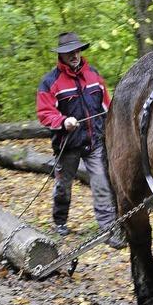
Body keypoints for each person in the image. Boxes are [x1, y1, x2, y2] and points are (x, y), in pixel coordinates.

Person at [36, 32, 126, 249]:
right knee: (63, 187)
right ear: (62, 55)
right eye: (70, 52)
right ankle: (60, 221)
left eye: (77, 50)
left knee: (102, 184)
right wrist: (63, 121)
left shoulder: (93, 75)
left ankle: (109, 229)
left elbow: (107, 106)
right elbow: (44, 113)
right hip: (67, 145)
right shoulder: (50, 82)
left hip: (94, 142)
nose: (74, 55)